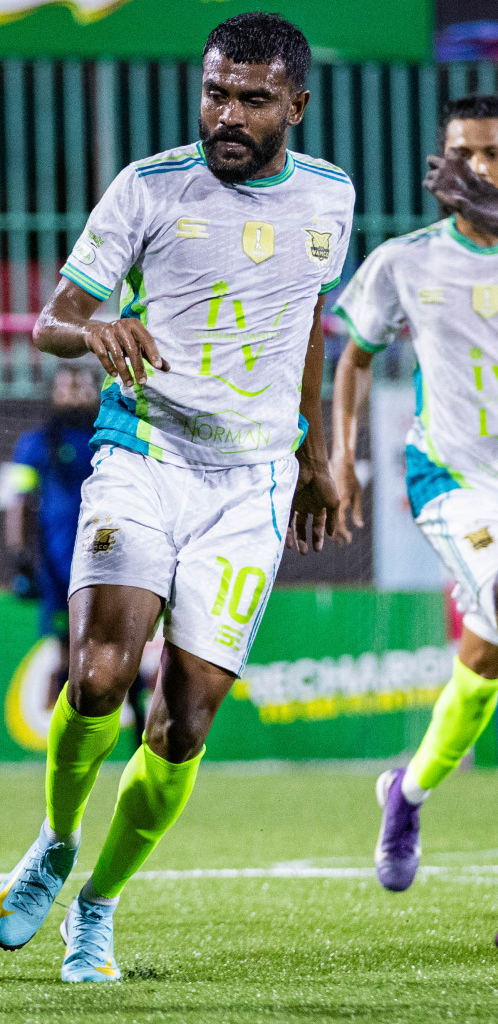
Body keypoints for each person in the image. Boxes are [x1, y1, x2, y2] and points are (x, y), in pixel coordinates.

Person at [0, 12, 350, 982]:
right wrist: (98, 324)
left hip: (256, 481)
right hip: (143, 450)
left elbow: (311, 318)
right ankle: (55, 841)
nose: (226, 114)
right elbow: (51, 323)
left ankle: (95, 905)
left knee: (184, 720)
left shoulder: (331, 198)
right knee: (98, 674)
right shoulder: (147, 187)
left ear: (296, 105)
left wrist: (317, 455)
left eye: (252, 98)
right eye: (215, 92)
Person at [329, 94, 498, 895]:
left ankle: (408, 792)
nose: (481, 167)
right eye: (465, 153)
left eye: (494, 152)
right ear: (442, 166)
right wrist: (342, 457)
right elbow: (355, 358)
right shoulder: (407, 260)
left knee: (486, 655)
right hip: (454, 482)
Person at [7, 363, 147, 734]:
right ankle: (67, 744)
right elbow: (20, 501)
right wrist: (19, 556)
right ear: (52, 392)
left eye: (81, 384)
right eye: (65, 385)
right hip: (57, 567)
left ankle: (139, 735)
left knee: (121, 650)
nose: (73, 392)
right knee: (68, 656)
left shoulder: (111, 439)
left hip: (110, 557)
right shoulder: (35, 444)